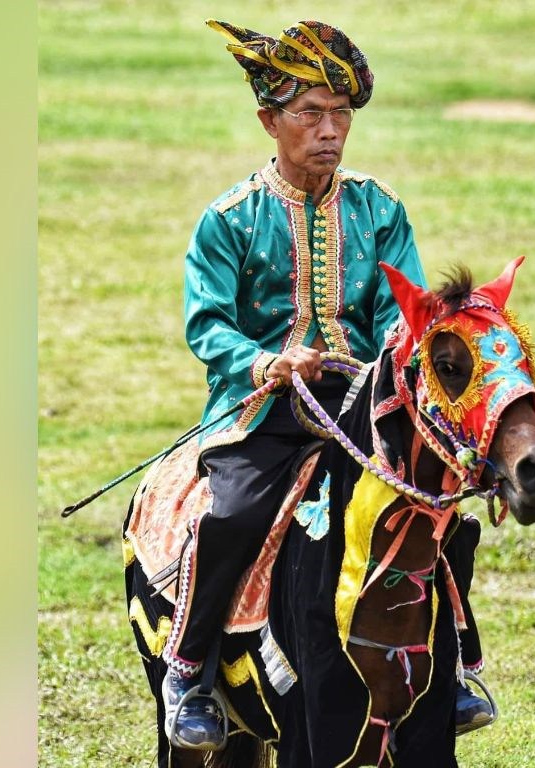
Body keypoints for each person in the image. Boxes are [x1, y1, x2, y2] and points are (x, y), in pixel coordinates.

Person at [160, 18, 493, 750]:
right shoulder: (230, 220)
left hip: (361, 406)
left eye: (340, 114)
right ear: (268, 121)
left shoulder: (380, 209)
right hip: (263, 411)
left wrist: (374, 369)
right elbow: (208, 324)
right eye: (309, 113)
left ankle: (458, 668)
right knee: (232, 514)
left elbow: (400, 314)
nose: (329, 130)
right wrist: (267, 361)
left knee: (444, 516)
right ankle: (188, 670)